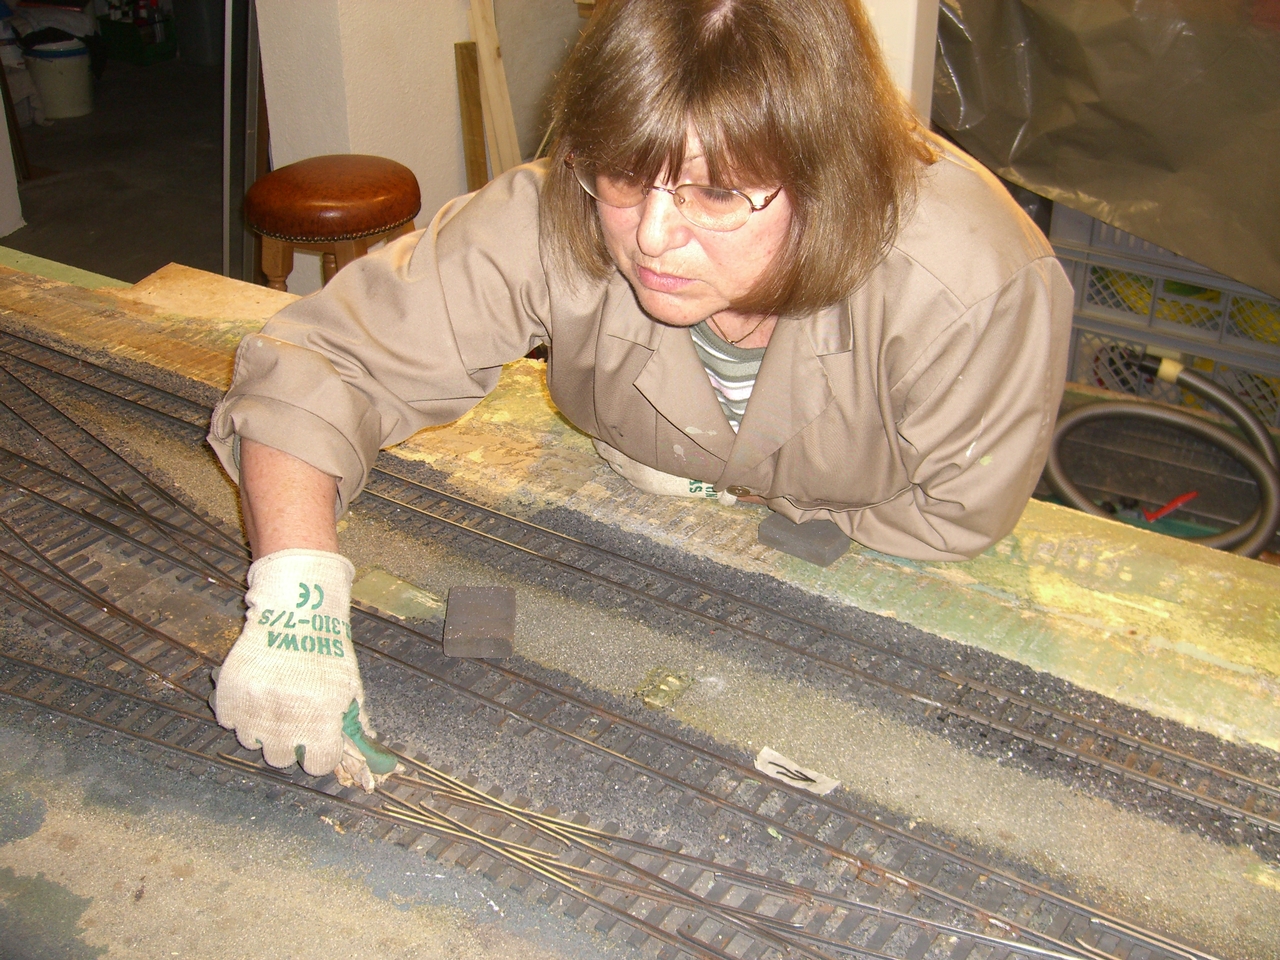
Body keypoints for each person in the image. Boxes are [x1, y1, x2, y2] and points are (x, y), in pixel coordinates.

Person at [207, 0, 1073, 788]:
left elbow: (961, 511)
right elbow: (323, 363)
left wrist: (737, 494)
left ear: (827, 174)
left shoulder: (973, 283)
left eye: (719, 193)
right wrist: (295, 598)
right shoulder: (564, 206)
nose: (652, 236)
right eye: (623, 174)